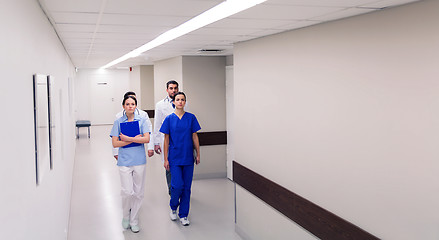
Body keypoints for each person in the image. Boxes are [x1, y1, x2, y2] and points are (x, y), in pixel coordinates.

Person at [110, 95, 151, 233]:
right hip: (124, 161)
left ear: (136, 106)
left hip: (139, 160)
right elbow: (115, 142)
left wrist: (127, 139)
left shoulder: (142, 120)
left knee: (138, 193)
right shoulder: (118, 122)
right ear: (123, 106)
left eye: (133, 104)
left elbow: (146, 139)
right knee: (127, 192)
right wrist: (132, 139)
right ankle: (126, 216)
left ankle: (134, 220)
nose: (130, 106)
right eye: (127, 104)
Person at [159, 92, 201, 226]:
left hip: (188, 157)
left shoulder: (191, 118)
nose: (180, 102)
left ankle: (183, 215)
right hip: (175, 158)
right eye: (178, 99)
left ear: (185, 102)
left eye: (183, 100)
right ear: (174, 102)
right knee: (177, 186)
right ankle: (173, 207)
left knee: (187, 188)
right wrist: (165, 158)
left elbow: (194, 137)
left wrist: (198, 153)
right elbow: (166, 140)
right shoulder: (169, 119)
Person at [153, 80, 179, 195]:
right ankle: (171, 190)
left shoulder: (183, 102)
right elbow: (157, 124)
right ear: (167, 90)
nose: (173, 90)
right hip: (166, 140)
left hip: (181, 140)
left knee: (180, 165)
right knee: (168, 165)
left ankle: (179, 188)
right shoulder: (160, 105)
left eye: (175, 88)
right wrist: (156, 142)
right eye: (171, 88)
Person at [113, 91, 154, 160]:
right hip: (124, 148)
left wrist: (150, 147)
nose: (130, 105)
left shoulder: (143, 115)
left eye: (133, 101)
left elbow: (149, 131)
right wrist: (115, 152)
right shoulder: (119, 116)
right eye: (128, 103)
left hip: (139, 147)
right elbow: (115, 136)